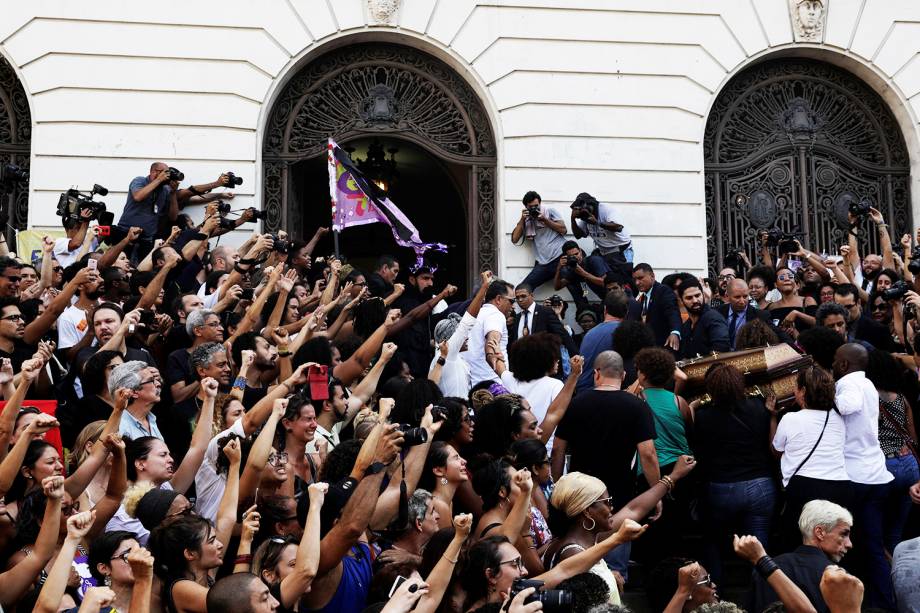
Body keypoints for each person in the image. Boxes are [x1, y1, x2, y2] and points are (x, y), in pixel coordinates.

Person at [552, 350, 659, 580]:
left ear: (596, 374)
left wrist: (558, 484)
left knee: (578, 567)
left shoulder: (577, 403)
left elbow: (557, 449)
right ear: (622, 375)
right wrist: (655, 492)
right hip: (619, 501)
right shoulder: (637, 406)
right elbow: (648, 454)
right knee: (615, 569)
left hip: (579, 499)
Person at [693, 362, 776, 583]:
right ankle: (763, 598)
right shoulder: (760, 408)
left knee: (712, 541)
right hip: (760, 485)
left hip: (721, 487)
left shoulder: (703, 416)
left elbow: (699, 450)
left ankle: (716, 596)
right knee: (760, 550)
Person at [832, 342, 895, 610]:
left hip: (854, 476)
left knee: (844, 545)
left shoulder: (848, 384)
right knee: (872, 544)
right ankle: (884, 602)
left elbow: (846, 407)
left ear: (844, 365)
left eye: (835, 360)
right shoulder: (868, 384)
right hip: (875, 475)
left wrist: (824, 395)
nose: (833, 364)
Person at [771, 365, 852, 547]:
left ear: (803, 391)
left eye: (796, 387)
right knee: (833, 544)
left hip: (805, 488)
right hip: (839, 487)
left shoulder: (791, 419)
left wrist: (772, 418)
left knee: (800, 543)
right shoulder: (839, 418)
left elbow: (776, 450)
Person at [748, 500, 854, 613]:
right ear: (820, 532)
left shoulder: (764, 569)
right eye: (843, 534)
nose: (849, 544)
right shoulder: (839, 578)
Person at [865, 349, 919, 555]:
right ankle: (899, 571)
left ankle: (886, 573)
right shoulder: (901, 399)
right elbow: (913, 436)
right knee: (896, 531)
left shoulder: (868, 399)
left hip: (884, 466)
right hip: (909, 464)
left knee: (876, 531)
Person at [512, 191, 568, 293]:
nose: (534, 209)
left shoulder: (549, 211)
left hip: (560, 256)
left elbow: (563, 230)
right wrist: (522, 220)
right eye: (531, 207)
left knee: (571, 279)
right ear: (526, 207)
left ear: (540, 203)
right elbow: (515, 239)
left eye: (536, 206)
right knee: (523, 289)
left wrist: (545, 220)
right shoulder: (526, 218)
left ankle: (583, 307)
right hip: (543, 263)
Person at [462, 279, 515, 386]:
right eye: (511, 301)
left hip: (473, 384)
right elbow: (492, 339)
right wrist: (491, 355)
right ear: (499, 299)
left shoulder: (477, 314)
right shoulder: (495, 315)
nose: (513, 306)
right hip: (493, 385)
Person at [577, 290, 628, 392]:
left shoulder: (589, 334)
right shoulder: (624, 333)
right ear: (627, 311)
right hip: (607, 392)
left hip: (584, 391)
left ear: (605, 309)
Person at [508, 283, 576, 356]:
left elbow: (562, 335)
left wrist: (575, 355)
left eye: (523, 296)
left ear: (532, 296)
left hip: (542, 362)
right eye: (517, 298)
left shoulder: (545, 312)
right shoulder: (517, 318)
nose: (520, 300)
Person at [627, 263, 682, 351]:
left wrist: (675, 332)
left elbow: (672, 312)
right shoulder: (643, 297)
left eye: (640, 278)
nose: (637, 283)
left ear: (652, 276)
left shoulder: (663, 291)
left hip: (665, 348)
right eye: (635, 279)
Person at [677, 279, 729, 359]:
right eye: (689, 298)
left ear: (703, 295)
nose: (695, 300)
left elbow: (720, 351)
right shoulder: (686, 326)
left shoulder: (714, 318)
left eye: (697, 295)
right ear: (681, 300)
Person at [716, 278, 774, 351]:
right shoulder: (717, 313)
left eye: (745, 296)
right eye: (737, 297)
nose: (742, 301)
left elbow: (780, 337)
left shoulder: (760, 315)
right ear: (727, 296)